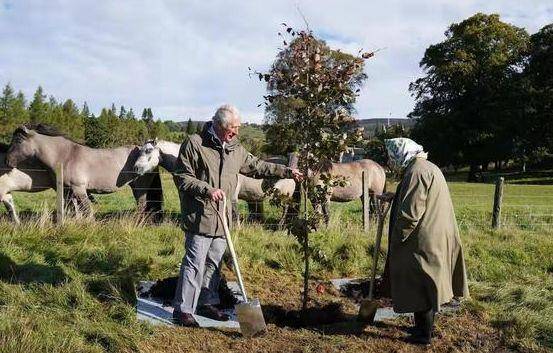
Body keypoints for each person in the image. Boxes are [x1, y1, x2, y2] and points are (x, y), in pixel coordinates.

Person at [172, 104, 302, 327]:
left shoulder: (235, 147)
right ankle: (183, 310)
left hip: (223, 218)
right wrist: (207, 189)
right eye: (233, 129)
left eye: (238, 128)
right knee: (194, 263)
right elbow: (182, 177)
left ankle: (206, 303)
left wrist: (286, 171)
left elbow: (257, 166)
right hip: (200, 215)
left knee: (214, 263)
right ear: (219, 126)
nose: (236, 132)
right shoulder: (195, 144)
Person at [384, 138, 469, 345]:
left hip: (422, 240)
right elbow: (418, 197)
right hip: (434, 235)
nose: (391, 161)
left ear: (401, 154)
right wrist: (394, 197)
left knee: (421, 285)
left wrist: (396, 239)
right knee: (425, 284)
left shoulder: (417, 172)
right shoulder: (426, 167)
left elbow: (411, 213)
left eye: (392, 156)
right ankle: (422, 328)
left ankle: (424, 336)